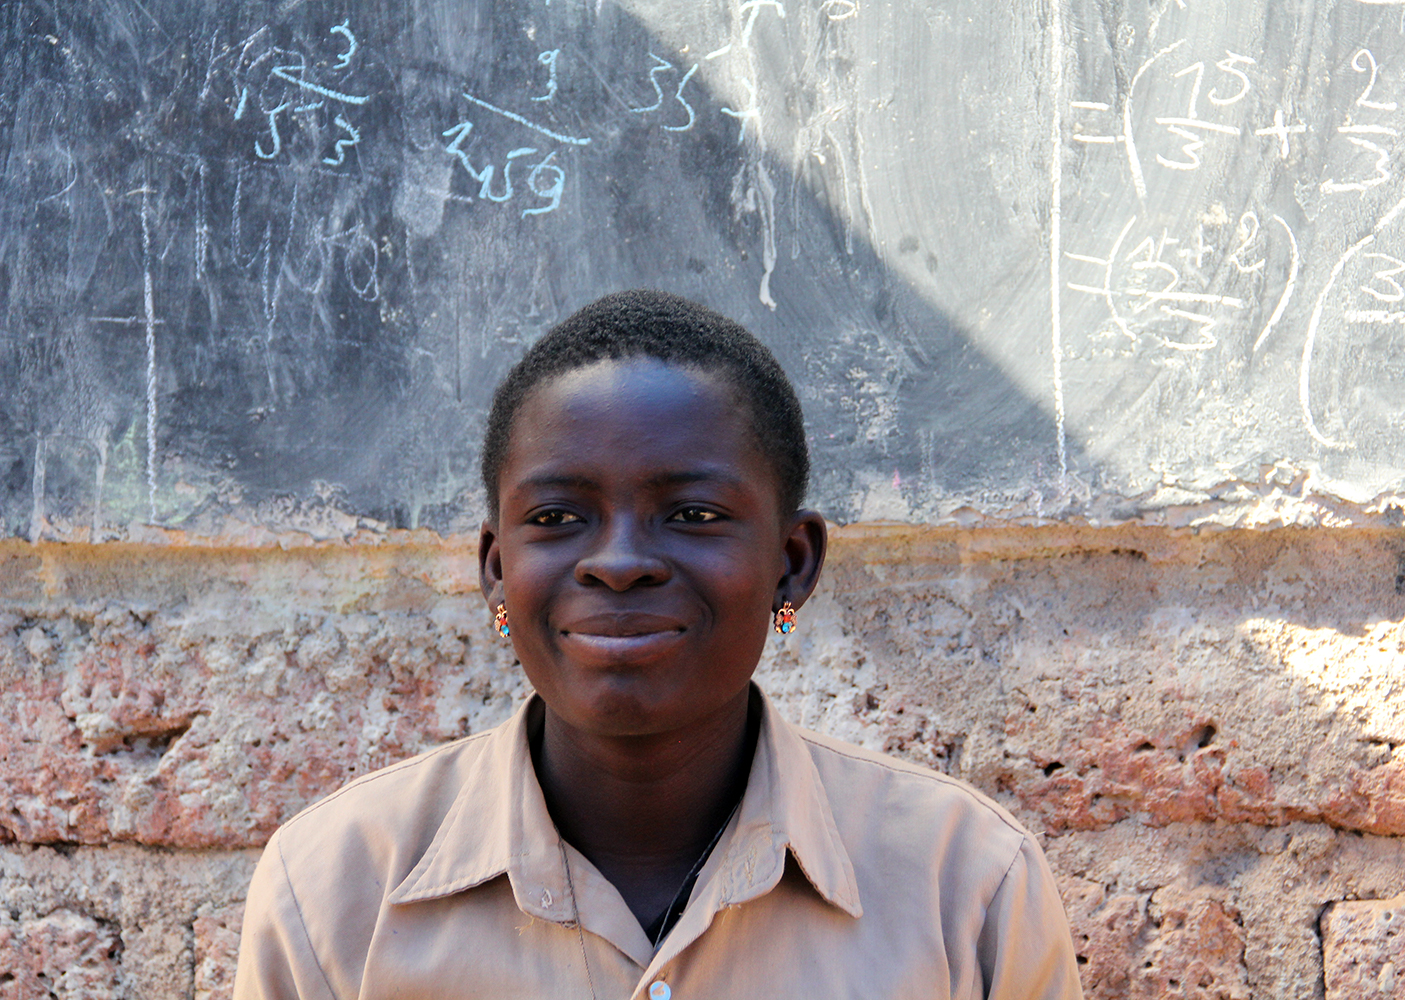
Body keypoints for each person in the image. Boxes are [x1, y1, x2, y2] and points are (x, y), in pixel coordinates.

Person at [232, 290, 1083, 1000]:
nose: (620, 563)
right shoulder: (336, 891)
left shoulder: (964, 886)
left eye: (694, 515)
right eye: (557, 518)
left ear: (792, 565)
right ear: (497, 570)